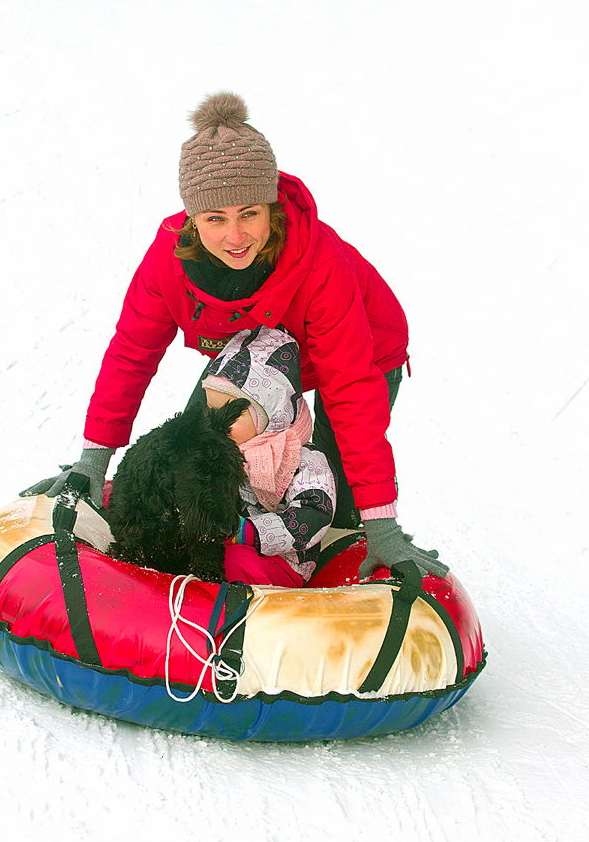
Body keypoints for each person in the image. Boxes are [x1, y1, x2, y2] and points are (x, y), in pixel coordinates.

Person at [22, 90, 448, 579]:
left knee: (331, 494)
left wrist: (382, 523)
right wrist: (94, 459)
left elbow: (352, 387)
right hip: (255, 348)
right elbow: (131, 353)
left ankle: (326, 557)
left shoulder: (323, 267)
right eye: (215, 218)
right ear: (192, 218)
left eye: (249, 213)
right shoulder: (169, 261)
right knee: (200, 448)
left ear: (271, 208)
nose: (235, 236)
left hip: (362, 345)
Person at [202, 324, 335, 587]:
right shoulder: (215, 446)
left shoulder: (301, 458)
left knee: (234, 561)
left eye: (232, 412)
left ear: (269, 413)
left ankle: (231, 609)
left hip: (282, 560)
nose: (216, 420)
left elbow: (314, 513)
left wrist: (247, 532)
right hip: (225, 539)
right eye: (210, 408)